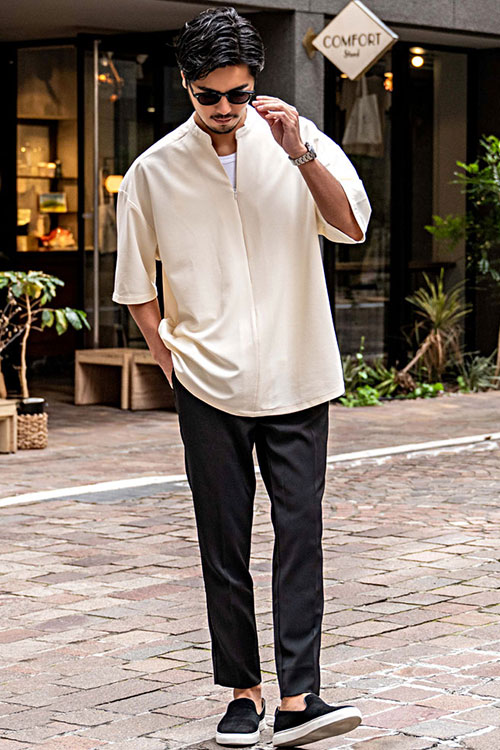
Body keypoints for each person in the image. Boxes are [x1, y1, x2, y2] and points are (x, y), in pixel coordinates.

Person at [112, 7, 371, 746]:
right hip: (208, 384)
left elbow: (351, 226)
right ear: (186, 85)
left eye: (239, 93)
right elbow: (136, 284)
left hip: (299, 372)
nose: (225, 108)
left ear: (255, 83)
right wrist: (167, 357)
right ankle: (242, 693)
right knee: (222, 544)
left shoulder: (297, 139)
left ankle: (298, 698)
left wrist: (300, 154)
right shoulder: (153, 170)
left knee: (300, 536)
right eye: (209, 95)